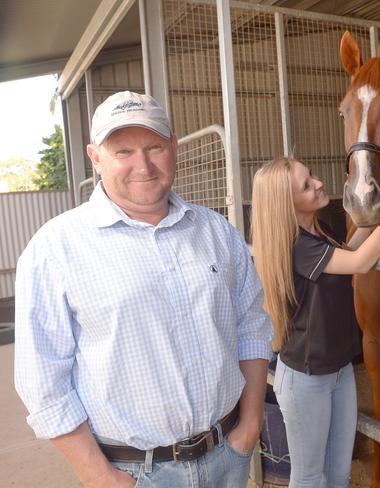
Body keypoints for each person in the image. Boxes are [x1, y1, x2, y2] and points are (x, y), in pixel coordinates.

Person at [14, 91, 274, 488]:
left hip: (228, 455)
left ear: (173, 147)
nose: (144, 165)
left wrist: (250, 424)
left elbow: (251, 325)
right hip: (137, 474)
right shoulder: (56, 249)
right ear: (95, 156)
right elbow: (43, 382)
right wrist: (99, 476)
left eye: (154, 146)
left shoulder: (216, 231)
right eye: (123, 151)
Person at [250, 157, 380, 488]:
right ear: (287, 204)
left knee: (338, 473)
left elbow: (346, 253)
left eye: (311, 175)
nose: (319, 183)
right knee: (310, 476)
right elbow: (359, 262)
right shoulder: (298, 244)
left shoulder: (317, 229)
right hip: (307, 378)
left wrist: (379, 210)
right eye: (307, 186)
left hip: (338, 369)